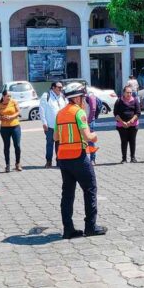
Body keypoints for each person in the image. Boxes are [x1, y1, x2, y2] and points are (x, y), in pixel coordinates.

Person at [53, 82, 107, 239]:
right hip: (79, 156)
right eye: (82, 97)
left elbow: (55, 137)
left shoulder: (60, 114)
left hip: (63, 158)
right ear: (76, 98)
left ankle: (68, 229)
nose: (84, 100)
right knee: (90, 189)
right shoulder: (79, 113)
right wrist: (94, 136)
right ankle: (90, 227)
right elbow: (87, 136)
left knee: (67, 194)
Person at [39, 81, 67, 168]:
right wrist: (44, 123)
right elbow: (42, 110)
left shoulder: (62, 96)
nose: (61, 89)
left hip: (61, 125)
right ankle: (49, 161)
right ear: (53, 88)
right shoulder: (46, 96)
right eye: (59, 87)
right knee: (50, 144)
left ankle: (59, 161)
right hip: (50, 125)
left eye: (61, 87)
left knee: (59, 144)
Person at [0, 90, 23, 172]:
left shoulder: (13, 102)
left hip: (15, 126)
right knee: (6, 146)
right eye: (8, 96)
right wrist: (2, 118)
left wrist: (11, 117)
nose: (9, 98)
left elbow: (18, 112)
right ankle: (7, 165)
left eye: (10, 96)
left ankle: (18, 164)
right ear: (3, 96)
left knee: (17, 145)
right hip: (4, 128)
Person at [114, 85, 141, 163]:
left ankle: (133, 158)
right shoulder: (119, 101)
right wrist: (122, 123)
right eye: (127, 92)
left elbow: (138, 113)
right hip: (121, 125)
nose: (129, 94)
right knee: (124, 141)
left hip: (133, 124)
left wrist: (130, 122)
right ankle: (124, 158)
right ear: (123, 93)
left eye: (130, 92)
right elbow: (115, 114)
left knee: (132, 140)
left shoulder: (135, 100)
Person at [83, 89, 99, 165]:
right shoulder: (81, 96)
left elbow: (93, 109)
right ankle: (84, 159)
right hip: (82, 121)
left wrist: (88, 121)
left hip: (89, 122)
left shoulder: (90, 96)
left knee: (91, 141)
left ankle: (92, 159)